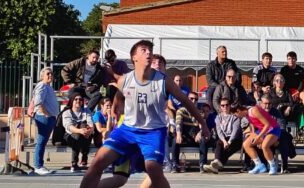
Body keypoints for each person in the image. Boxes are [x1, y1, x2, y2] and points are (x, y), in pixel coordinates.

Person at [79, 40, 210, 188]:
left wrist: (203, 124)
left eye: (150, 50)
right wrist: (116, 107)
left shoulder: (163, 81)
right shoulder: (125, 80)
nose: (149, 52)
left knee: (153, 169)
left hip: (152, 132)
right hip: (127, 130)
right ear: (134, 57)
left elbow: (186, 101)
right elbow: (120, 94)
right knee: (98, 162)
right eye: (144, 50)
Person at [171, 92, 212, 173]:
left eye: (196, 99)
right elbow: (178, 123)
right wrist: (179, 134)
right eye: (191, 99)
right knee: (175, 140)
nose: (193, 101)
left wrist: (200, 133)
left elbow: (202, 125)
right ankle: (175, 165)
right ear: (187, 99)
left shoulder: (199, 112)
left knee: (203, 140)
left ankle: (202, 165)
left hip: (195, 137)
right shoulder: (181, 111)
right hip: (184, 137)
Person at [235, 104, 280, 175]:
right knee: (246, 144)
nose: (236, 117)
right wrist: (254, 135)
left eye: (235, 115)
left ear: (238, 111)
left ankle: (273, 166)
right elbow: (252, 125)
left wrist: (258, 137)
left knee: (264, 146)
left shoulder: (253, 111)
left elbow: (267, 125)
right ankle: (259, 165)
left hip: (273, 129)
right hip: (262, 130)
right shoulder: (246, 115)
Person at [32, 67, 60, 175]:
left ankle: (40, 165)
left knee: (42, 142)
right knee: (41, 142)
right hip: (44, 118)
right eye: (48, 74)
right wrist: (46, 114)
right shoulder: (42, 86)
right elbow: (38, 102)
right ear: (42, 76)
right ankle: (38, 166)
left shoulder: (48, 86)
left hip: (49, 117)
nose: (50, 75)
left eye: (51, 74)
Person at [203, 98, 242, 174]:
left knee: (226, 149)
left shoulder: (235, 118)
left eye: (227, 105)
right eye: (223, 105)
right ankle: (216, 162)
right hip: (224, 138)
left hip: (235, 139)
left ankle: (214, 166)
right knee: (219, 142)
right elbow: (219, 131)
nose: (225, 107)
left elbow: (235, 131)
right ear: (220, 107)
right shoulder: (218, 117)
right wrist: (224, 141)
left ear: (230, 106)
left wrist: (229, 141)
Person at [62, 92, 94, 172]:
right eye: (76, 99)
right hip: (69, 135)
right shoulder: (66, 112)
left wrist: (89, 131)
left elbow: (90, 123)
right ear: (72, 101)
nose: (78, 101)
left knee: (84, 126)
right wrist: (80, 131)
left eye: (80, 99)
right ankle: (81, 158)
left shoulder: (86, 110)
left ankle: (75, 163)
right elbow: (69, 126)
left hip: (85, 135)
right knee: (77, 136)